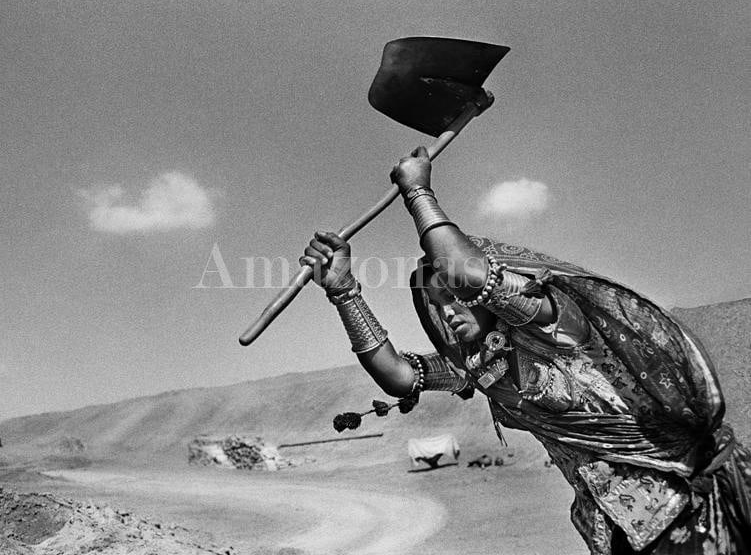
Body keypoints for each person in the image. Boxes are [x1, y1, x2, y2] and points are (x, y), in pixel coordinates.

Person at [300, 147, 751, 555]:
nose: (447, 312)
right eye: (437, 305)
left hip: (685, 506)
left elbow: (467, 271)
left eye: (453, 296)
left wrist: (417, 191)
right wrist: (343, 290)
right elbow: (399, 376)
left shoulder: (554, 319)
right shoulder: (480, 367)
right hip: (617, 534)